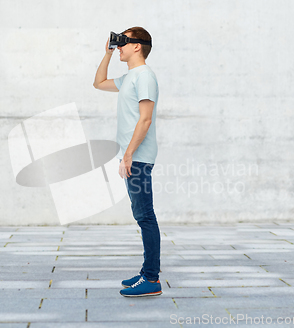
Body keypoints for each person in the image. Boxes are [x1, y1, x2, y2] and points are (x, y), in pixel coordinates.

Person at [93, 26, 161, 297]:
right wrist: (107, 54)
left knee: (145, 216)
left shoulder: (144, 77)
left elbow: (146, 119)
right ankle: (146, 273)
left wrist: (129, 154)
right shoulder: (130, 77)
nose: (119, 46)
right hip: (133, 155)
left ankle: (152, 280)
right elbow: (99, 83)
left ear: (138, 46)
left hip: (139, 156)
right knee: (141, 215)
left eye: (123, 42)